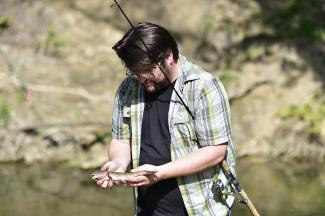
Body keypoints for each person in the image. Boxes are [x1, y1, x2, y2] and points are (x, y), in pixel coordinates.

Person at [96, 22, 236, 216]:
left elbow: (215, 151)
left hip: (200, 209)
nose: (141, 78)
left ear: (168, 56)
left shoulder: (203, 86)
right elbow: (120, 140)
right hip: (147, 209)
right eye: (134, 72)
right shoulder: (129, 88)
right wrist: (118, 164)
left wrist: (159, 173)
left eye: (146, 70)